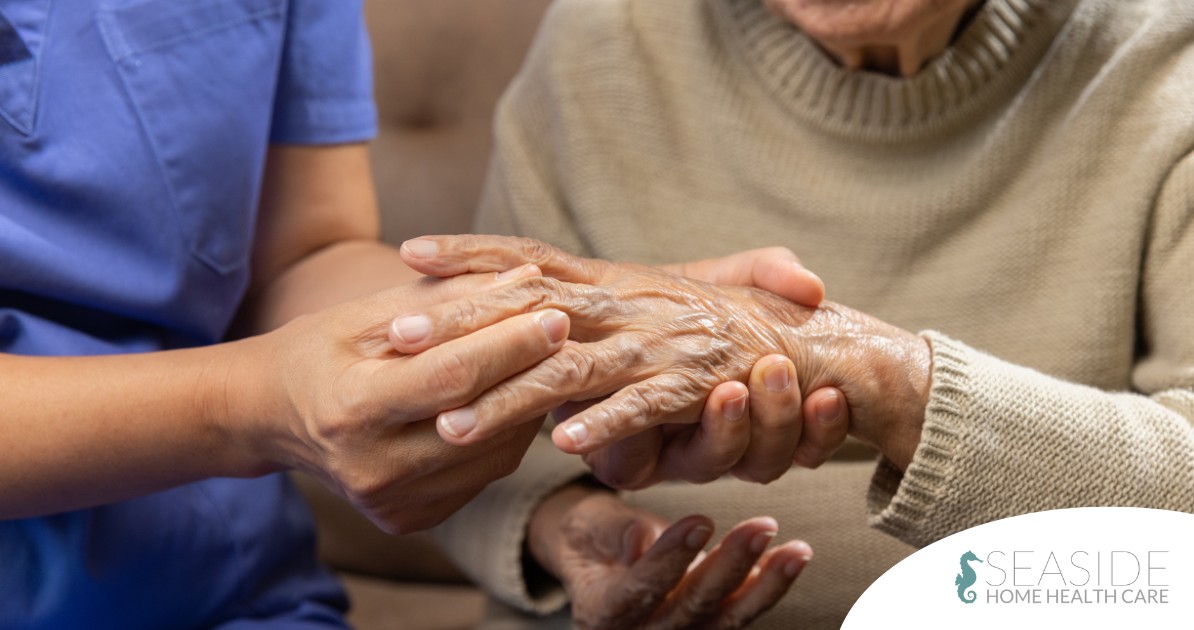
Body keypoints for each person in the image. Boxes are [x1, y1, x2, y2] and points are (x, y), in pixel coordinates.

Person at [0, 2, 824, 627]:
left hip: (239, 594)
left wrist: (580, 307)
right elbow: (263, 389)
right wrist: (250, 406)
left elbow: (302, 257)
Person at [394, 0, 1194, 627]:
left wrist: (885, 377)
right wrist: (565, 529)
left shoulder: (1169, 57)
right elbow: (465, 429)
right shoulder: (601, 41)